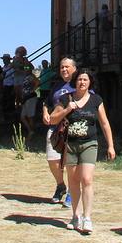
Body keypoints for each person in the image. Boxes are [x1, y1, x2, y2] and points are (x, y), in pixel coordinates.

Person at [48, 68, 115, 234]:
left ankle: (87, 217)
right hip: (71, 145)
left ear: (90, 82)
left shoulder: (96, 100)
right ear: (74, 82)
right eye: (79, 80)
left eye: (85, 80)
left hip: (89, 143)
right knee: (73, 180)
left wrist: (111, 145)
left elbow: (104, 123)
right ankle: (75, 215)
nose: (82, 82)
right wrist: (67, 110)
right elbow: (52, 119)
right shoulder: (66, 99)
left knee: (86, 179)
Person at [41, 56, 76, 206]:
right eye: (62, 67)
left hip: (72, 128)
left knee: (70, 162)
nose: (64, 69)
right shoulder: (57, 85)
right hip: (54, 128)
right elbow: (47, 102)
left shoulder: (79, 84)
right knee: (52, 159)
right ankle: (61, 185)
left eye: (67, 67)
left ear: (74, 68)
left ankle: (72, 192)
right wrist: (45, 112)